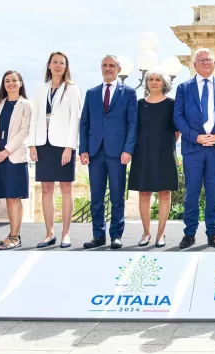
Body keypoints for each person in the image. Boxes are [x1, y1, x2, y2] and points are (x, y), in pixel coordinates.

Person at [79, 55, 138, 249]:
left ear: (118, 69)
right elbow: (84, 123)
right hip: (95, 152)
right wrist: (84, 149)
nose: (107, 68)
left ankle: (116, 236)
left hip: (117, 153)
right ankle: (98, 235)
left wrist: (128, 149)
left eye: (111, 65)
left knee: (117, 196)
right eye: (104, 65)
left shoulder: (128, 93)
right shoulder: (91, 93)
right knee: (96, 196)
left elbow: (132, 123)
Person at [174, 48, 215, 249]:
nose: (205, 62)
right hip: (193, 148)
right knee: (192, 193)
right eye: (201, 60)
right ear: (194, 64)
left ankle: (213, 233)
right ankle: (189, 233)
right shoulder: (183, 88)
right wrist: (196, 137)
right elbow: (178, 117)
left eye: (209, 59)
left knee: (214, 193)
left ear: (214, 63)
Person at [29, 51, 82, 248]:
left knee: (66, 188)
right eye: (55, 62)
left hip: (63, 145)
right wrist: (32, 144)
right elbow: (35, 118)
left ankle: (66, 233)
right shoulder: (40, 89)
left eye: (62, 63)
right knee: (46, 189)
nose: (58, 65)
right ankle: (49, 232)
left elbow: (75, 119)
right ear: (49, 66)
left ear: (66, 67)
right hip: (43, 144)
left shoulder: (73, 89)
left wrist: (70, 147)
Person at [128, 69, 179, 248]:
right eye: (151, 79)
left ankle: (160, 234)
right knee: (144, 193)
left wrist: (166, 145)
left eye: (158, 79)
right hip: (142, 152)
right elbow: (133, 128)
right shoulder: (139, 104)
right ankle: (146, 233)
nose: (154, 82)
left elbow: (176, 130)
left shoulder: (172, 104)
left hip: (165, 152)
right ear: (146, 83)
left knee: (165, 193)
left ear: (164, 83)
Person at [0, 71, 31, 250]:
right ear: (3, 84)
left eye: (14, 80)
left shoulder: (26, 105)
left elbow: (24, 131)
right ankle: (13, 235)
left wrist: (5, 151)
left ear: (21, 83)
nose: (11, 83)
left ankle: (14, 236)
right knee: (8, 197)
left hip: (15, 157)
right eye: (7, 81)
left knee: (14, 197)